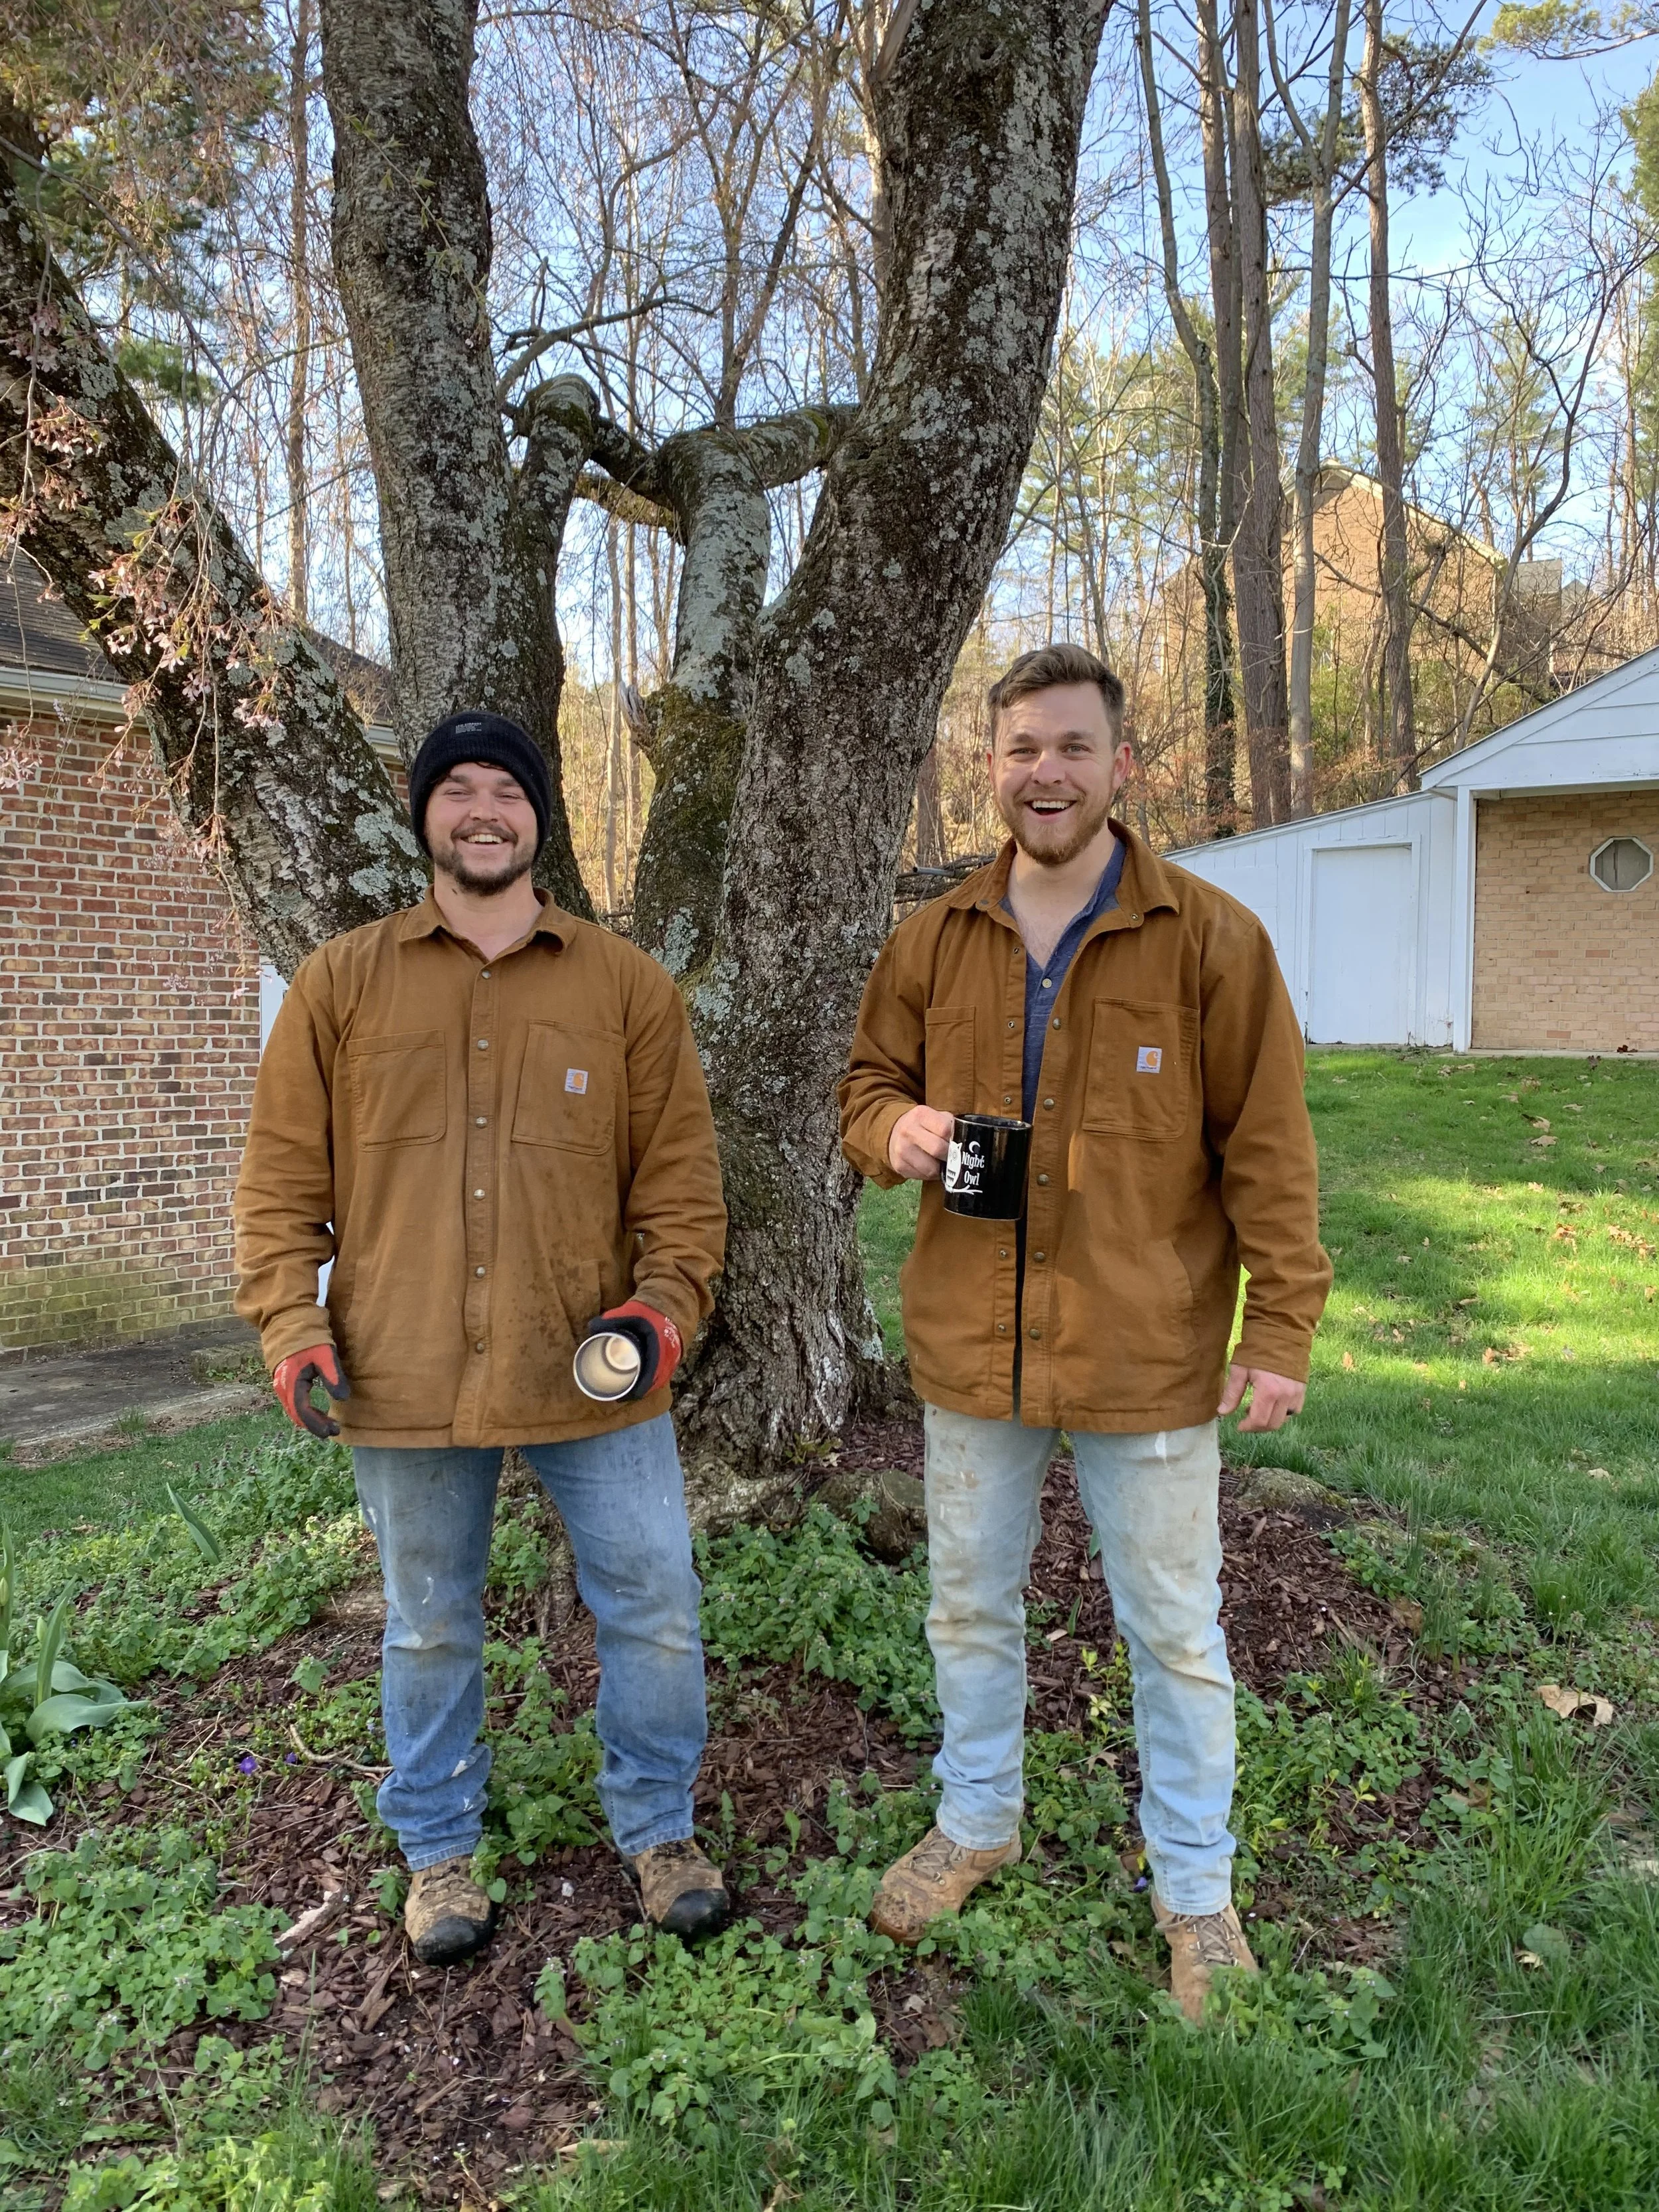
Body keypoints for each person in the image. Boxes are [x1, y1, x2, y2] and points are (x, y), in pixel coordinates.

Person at [838, 644, 1331, 2021]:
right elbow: (862, 1084)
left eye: (1068, 746)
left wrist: (1279, 1325)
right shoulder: (933, 936)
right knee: (965, 1606)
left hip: (1146, 1350)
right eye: (1016, 749)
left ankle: (1194, 1891)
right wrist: (898, 1128)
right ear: (987, 768)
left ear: (1122, 766)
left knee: (1173, 1631)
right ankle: (974, 1819)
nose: (1041, 772)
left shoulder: (1211, 939)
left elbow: (1270, 1150)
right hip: (974, 1346)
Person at [236, 710, 731, 1966]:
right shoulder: (340, 983)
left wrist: (663, 1315)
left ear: (537, 814)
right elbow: (280, 1186)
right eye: (454, 790)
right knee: (427, 1621)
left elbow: (681, 1192)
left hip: (591, 1372)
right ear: (425, 819)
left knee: (657, 1605)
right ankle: (439, 1849)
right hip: (400, 1374)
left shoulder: (626, 987)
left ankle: (660, 1827)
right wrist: (291, 1325)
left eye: (503, 789)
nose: (480, 810)